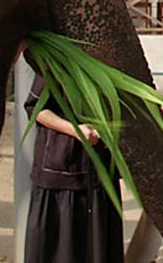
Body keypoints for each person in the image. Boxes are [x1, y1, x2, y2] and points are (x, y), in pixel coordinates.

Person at [24, 67, 124, 263]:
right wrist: (76, 131)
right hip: (61, 166)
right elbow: (36, 109)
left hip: (99, 168)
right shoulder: (55, 62)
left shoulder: (108, 63)